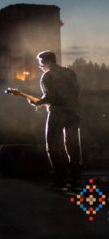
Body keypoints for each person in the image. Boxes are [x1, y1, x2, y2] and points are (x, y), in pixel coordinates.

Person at [29, 50, 82, 190]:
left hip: (58, 113)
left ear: (47, 61)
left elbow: (51, 97)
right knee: (73, 146)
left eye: (41, 62)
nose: (40, 66)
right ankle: (75, 179)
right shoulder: (70, 72)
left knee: (52, 146)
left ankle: (60, 179)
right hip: (73, 112)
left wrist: (38, 102)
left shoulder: (47, 77)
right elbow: (77, 91)